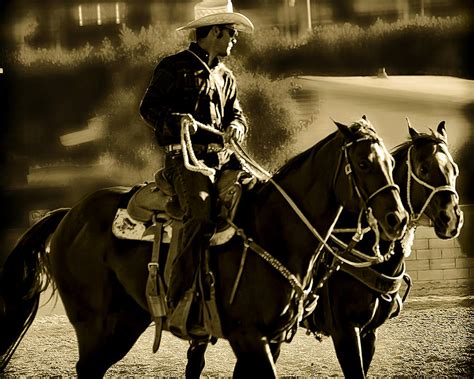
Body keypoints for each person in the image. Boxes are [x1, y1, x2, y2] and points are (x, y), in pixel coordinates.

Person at [139, 0, 254, 320]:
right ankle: (178, 295)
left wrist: (236, 126)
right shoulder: (173, 66)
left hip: (223, 161)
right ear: (215, 31)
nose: (235, 39)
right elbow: (148, 109)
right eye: (232, 33)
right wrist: (178, 122)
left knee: (263, 196)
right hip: (185, 162)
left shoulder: (226, 75)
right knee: (200, 215)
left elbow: (237, 113)